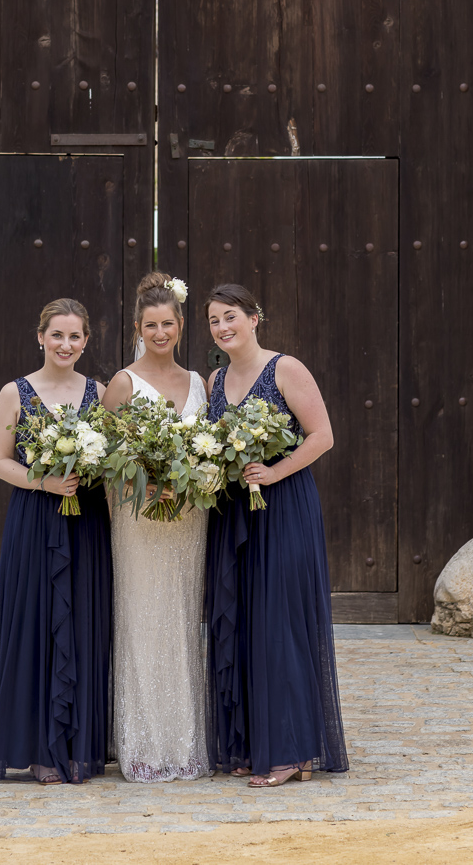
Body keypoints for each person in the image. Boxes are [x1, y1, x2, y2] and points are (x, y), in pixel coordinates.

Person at [205, 283, 348, 786]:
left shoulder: (285, 368)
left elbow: (323, 436)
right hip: (234, 514)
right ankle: (251, 742)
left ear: (254, 317)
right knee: (243, 624)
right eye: (214, 321)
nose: (223, 328)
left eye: (231, 317)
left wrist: (275, 472)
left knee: (280, 623)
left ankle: (291, 750)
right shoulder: (214, 379)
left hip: (282, 506)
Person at [0, 298, 111, 784]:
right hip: (35, 519)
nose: (66, 344)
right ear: (40, 337)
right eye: (57, 335)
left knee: (81, 624)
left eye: (75, 336)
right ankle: (37, 748)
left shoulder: (99, 391)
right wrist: (43, 481)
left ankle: (77, 746)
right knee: (36, 625)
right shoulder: (16, 392)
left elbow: (116, 456)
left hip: (86, 521)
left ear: (86, 341)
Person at [102, 272, 210, 782]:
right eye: (151, 325)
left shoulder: (199, 384)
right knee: (145, 620)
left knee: (184, 619)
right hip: (140, 521)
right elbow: (105, 457)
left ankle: (184, 744)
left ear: (181, 324)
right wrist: (144, 485)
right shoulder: (124, 382)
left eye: (168, 323)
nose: (160, 332)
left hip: (189, 519)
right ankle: (143, 743)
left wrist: (190, 485)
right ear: (138, 328)